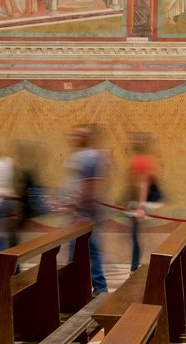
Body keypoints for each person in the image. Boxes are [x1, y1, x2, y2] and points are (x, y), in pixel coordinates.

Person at [66, 124, 110, 295]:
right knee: (90, 248)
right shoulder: (94, 155)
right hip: (89, 209)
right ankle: (95, 286)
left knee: (78, 248)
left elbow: (89, 184)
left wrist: (76, 205)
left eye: (79, 135)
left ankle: (75, 287)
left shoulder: (86, 157)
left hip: (84, 211)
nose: (74, 138)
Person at [125, 131, 161, 273]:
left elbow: (143, 183)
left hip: (138, 203)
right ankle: (134, 266)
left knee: (135, 236)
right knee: (135, 236)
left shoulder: (139, 160)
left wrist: (140, 206)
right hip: (137, 202)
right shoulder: (147, 159)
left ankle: (134, 267)